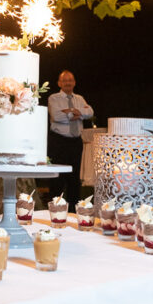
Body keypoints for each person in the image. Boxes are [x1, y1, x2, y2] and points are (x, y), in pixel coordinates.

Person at [47, 70, 94, 208]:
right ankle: (55, 209)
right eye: (64, 80)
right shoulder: (54, 98)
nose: (68, 83)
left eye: (70, 80)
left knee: (74, 178)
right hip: (59, 142)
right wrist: (77, 114)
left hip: (75, 142)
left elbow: (89, 112)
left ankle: (73, 211)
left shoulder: (79, 98)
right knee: (58, 177)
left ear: (74, 82)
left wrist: (72, 112)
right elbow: (56, 116)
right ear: (59, 83)